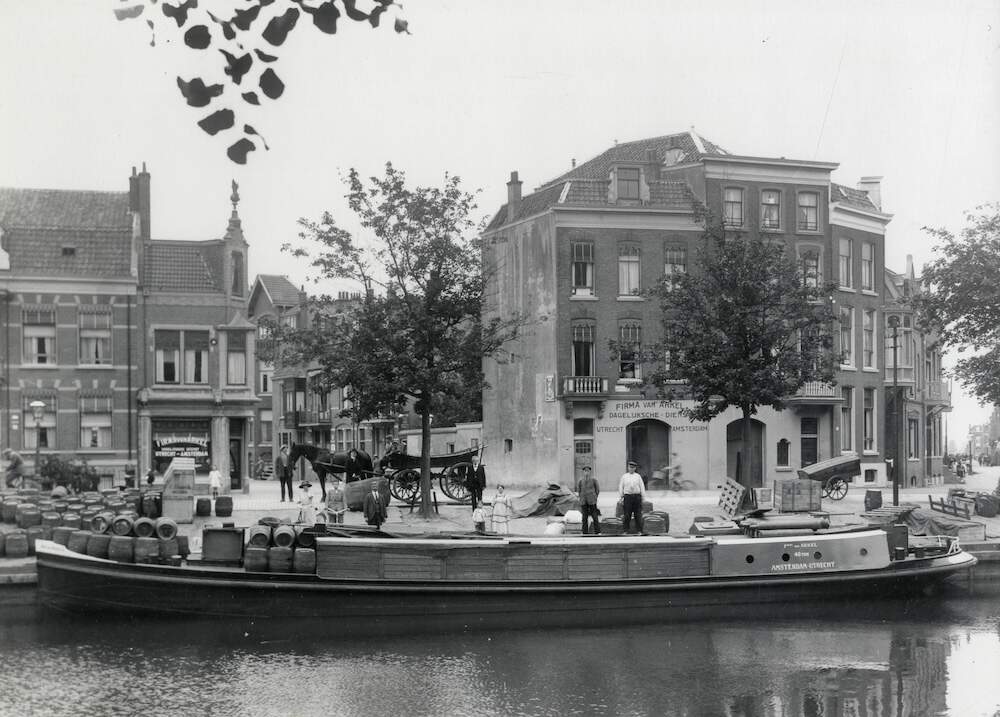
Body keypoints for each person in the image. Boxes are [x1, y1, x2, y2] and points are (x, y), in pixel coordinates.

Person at [619, 460, 646, 535]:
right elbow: (621, 486)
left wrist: (643, 498)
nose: (631, 469)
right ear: (628, 468)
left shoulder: (638, 476)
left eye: (633, 467)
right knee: (627, 514)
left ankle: (639, 531)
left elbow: (642, 487)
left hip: (637, 497)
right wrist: (621, 496)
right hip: (628, 497)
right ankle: (625, 530)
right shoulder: (624, 476)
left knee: (638, 515)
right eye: (630, 467)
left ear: (635, 468)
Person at [576, 465, 601, 535]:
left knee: (594, 516)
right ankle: (585, 532)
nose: (586, 472)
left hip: (592, 500)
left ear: (590, 472)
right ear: (583, 472)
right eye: (585, 471)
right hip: (583, 501)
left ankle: (598, 531)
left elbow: (597, 489)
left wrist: (595, 497)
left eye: (588, 471)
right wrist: (581, 497)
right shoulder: (581, 480)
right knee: (584, 517)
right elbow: (579, 490)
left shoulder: (593, 480)